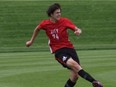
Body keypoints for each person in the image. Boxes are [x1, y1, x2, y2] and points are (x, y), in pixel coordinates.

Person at [26, 3, 103, 87]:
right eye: (57, 13)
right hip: (59, 51)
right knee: (74, 64)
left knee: (75, 76)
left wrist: (78, 31)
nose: (59, 14)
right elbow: (37, 29)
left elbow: (77, 29)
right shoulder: (45, 24)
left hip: (70, 49)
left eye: (59, 12)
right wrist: (31, 41)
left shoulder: (64, 21)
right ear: (51, 14)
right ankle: (94, 82)